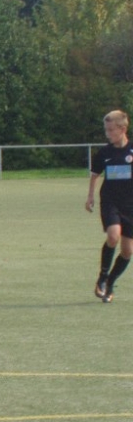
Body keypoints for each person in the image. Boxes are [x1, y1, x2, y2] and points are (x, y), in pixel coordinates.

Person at [85, 109, 133, 303]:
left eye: (110, 130)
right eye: (106, 130)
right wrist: (90, 197)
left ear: (122, 129)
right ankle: (103, 276)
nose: (107, 134)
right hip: (111, 202)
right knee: (113, 236)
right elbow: (95, 174)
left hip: (130, 204)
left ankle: (110, 283)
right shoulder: (105, 152)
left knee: (128, 251)